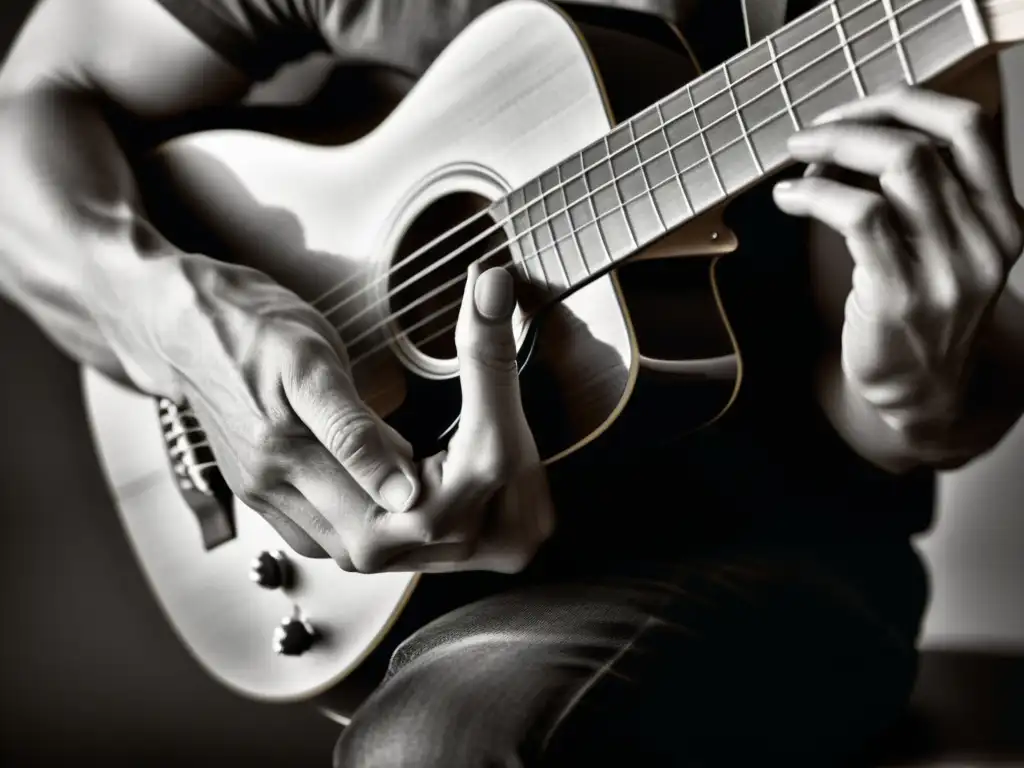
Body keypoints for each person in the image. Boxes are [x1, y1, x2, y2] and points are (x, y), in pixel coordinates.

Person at [1, 0, 1022, 765]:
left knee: (438, 744)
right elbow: (31, 105)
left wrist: (913, 385)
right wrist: (185, 328)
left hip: (764, 560)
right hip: (404, 597)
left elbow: (898, 417)